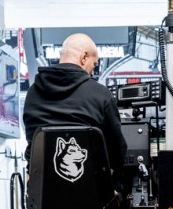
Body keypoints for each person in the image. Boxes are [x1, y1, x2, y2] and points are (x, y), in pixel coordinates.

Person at [22, 33, 127, 168]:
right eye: (93, 65)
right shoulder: (100, 94)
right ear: (84, 57)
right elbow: (117, 150)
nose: (91, 73)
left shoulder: (33, 92)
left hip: (43, 186)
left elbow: (32, 143)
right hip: (92, 186)